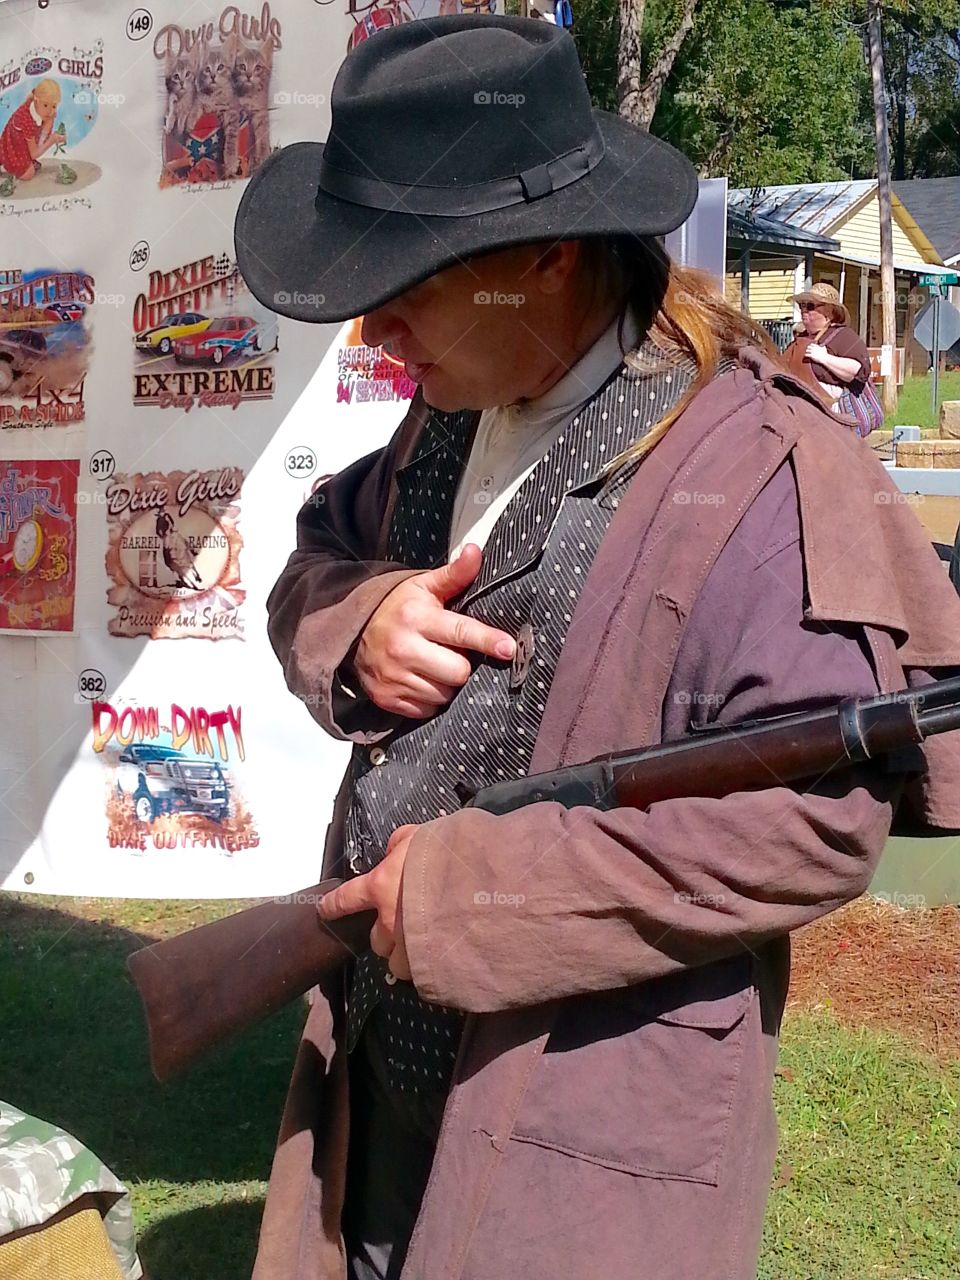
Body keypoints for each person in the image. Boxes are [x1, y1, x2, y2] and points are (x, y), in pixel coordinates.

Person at [234, 16, 960, 1280]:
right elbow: (312, 567)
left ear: (547, 254)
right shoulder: (442, 423)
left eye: (402, 294)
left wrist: (483, 897)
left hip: (579, 1151)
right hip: (375, 1101)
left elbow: (814, 819)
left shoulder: (763, 472)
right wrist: (359, 623)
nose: (372, 340)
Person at [782, 281, 877, 423]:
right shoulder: (799, 339)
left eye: (810, 306)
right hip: (797, 412)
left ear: (829, 311)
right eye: (802, 306)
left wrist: (824, 358)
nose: (804, 310)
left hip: (831, 418)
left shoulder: (843, 336)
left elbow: (857, 371)